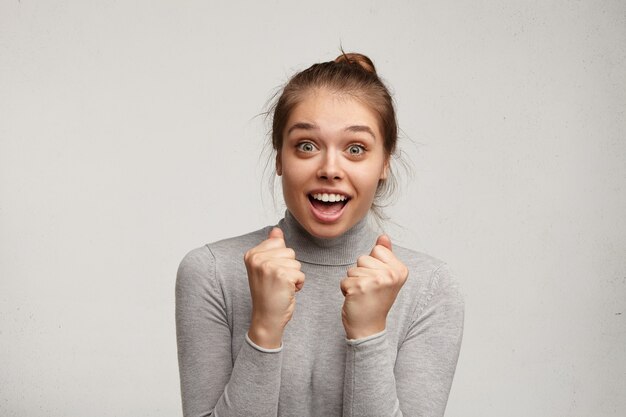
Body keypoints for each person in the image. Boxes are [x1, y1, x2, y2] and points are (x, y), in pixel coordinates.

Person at [176, 52, 464, 417]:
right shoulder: (211, 272)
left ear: (385, 162)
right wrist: (264, 327)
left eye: (355, 149)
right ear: (280, 157)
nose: (330, 169)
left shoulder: (430, 288)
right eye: (306, 146)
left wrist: (370, 335)